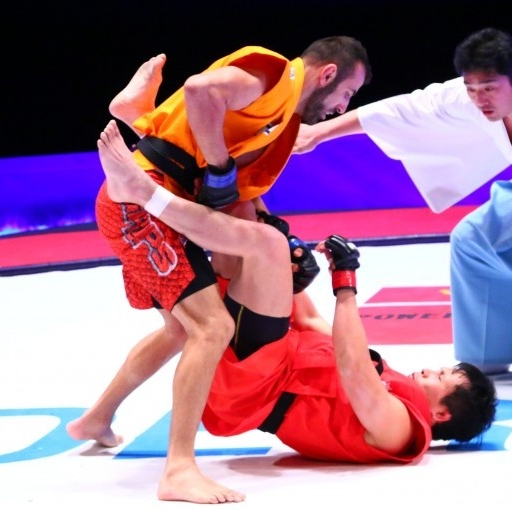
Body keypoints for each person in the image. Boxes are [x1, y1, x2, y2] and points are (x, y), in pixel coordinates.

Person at [93, 119, 496, 477]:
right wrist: (293, 273)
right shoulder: (390, 378)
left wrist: (345, 282)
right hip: (265, 356)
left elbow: (353, 372)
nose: (431, 369)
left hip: (255, 387)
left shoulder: (402, 431)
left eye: (441, 377)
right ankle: (155, 136)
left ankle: (147, 192)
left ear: (442, 413)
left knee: (265, 244)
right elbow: (310, 325)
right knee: (246, 207)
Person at [81, 37, 371, 504]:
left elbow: (237, 193)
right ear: (329, 74)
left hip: (163, 201)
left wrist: (281, 238)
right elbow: (200, 91)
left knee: (181, 329)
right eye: (347, 94)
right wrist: (219, 167)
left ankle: (97, 417)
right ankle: (178, 469)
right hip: (141, 203)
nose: (341, 107)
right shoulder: (273, 76)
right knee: (211, 328)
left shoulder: (280, 121)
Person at [293, 27, 512, 378]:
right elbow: (406, 110)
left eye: (489, 89)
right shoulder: (475, 95)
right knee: (473, 240)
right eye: (471, 89)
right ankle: (487, 358)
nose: (480, 99)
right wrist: (318, 134)